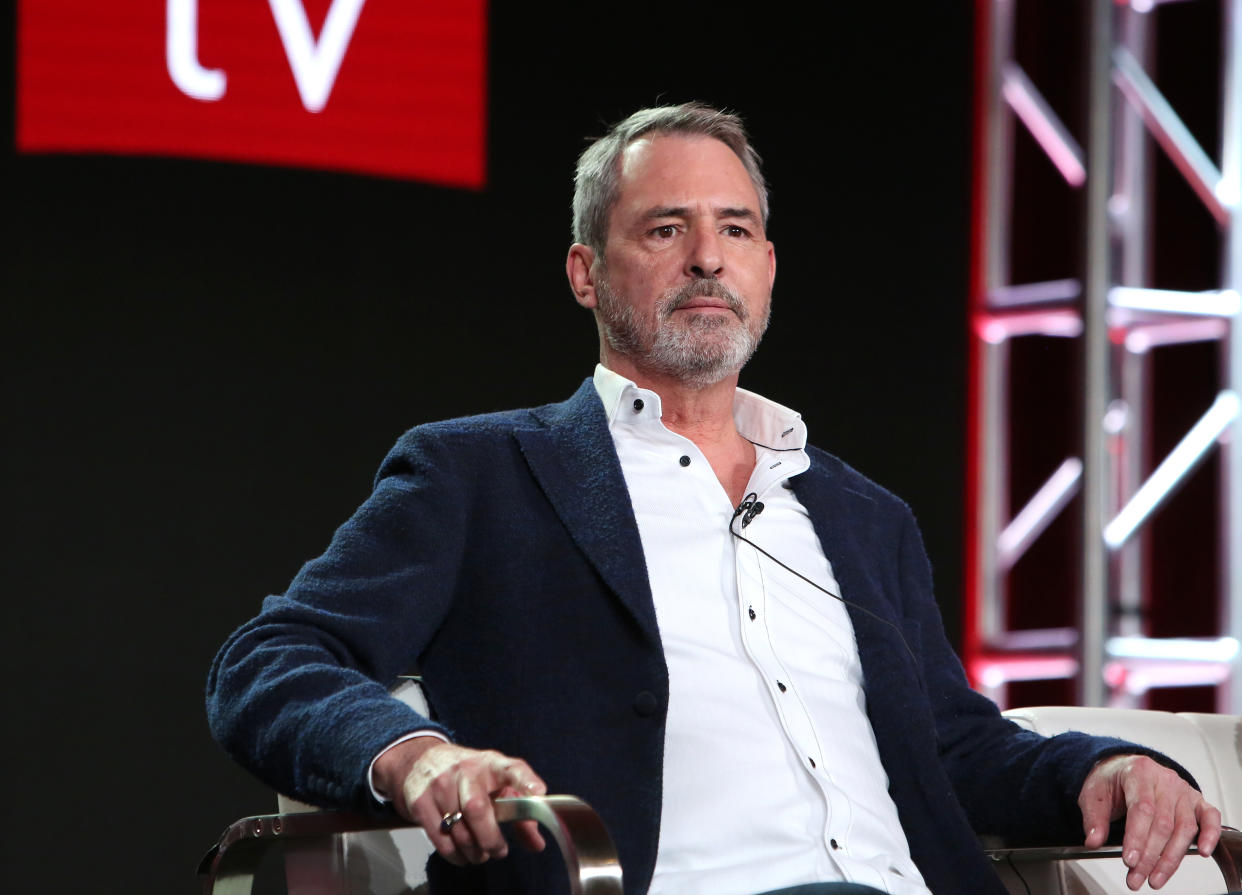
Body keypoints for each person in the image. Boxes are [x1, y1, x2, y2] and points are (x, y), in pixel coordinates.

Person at [207, 103, 1223, 895]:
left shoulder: (865, 519)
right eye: (665, 228)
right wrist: (416, 757)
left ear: (767, 269)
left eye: (735, 228)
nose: (707, 256)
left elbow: (953, 744)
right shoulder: (480, 475)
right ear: (585, 274)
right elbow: (268, 663)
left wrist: (1103, 770)